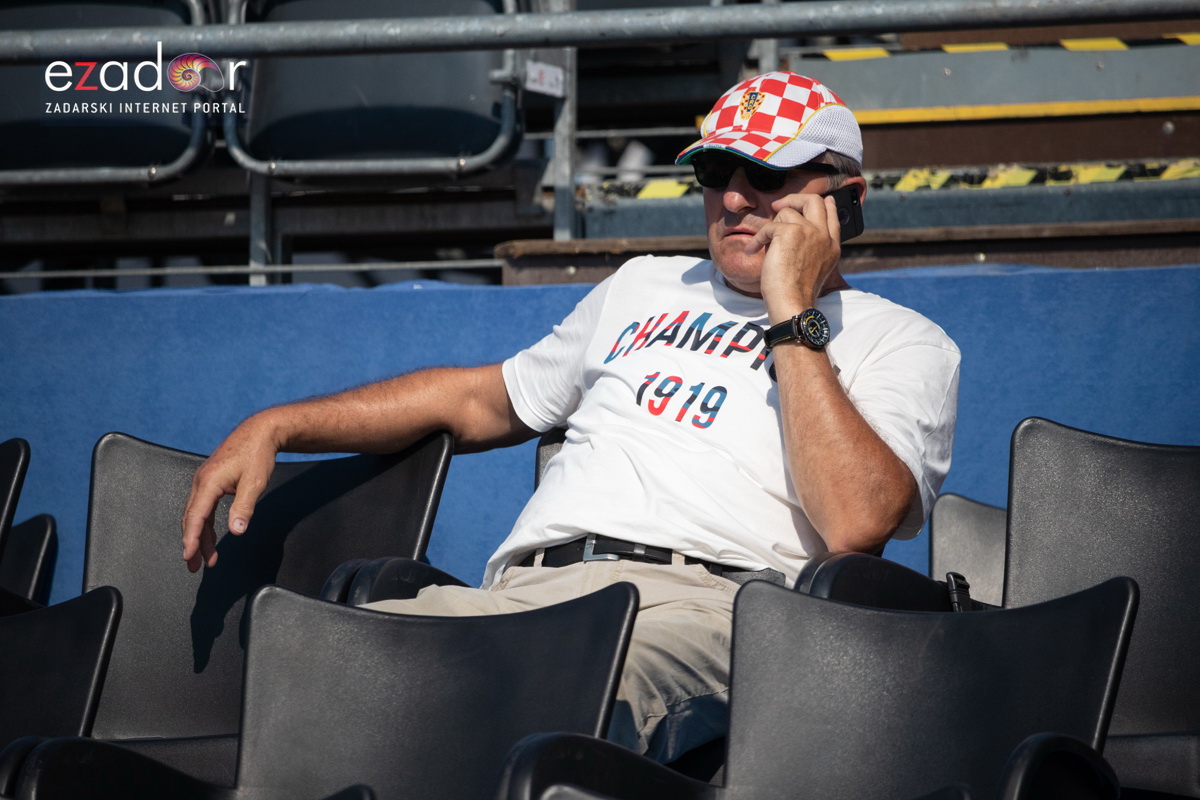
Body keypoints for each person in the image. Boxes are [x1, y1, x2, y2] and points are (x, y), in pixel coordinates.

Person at [182, 71, 960, 763]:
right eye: (718, 170)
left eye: (763, 174)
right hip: (526, 593)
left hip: (706, 615)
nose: (731, 198)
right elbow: (479, 399)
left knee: (538, 694)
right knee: (322, 666)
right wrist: (281, 424)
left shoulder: (900, 341)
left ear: (843, 200)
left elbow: (858, 523)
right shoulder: (641, 285)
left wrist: (792, 311)